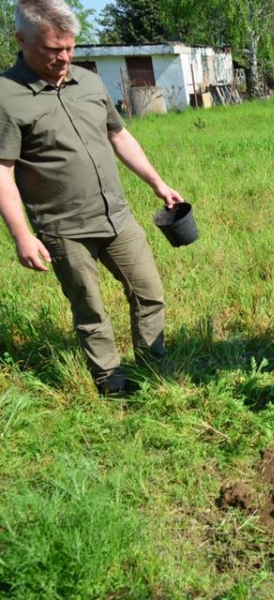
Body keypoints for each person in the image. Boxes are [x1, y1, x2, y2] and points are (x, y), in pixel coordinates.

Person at [0, 0, 185, 396]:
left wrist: (157, 182)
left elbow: (118, 135)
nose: (64, 58)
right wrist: (21, 235)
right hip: (63, 229)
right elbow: (2, 171)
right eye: (53, 49)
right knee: (90, 311)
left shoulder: (88, 82)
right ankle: (111, 385)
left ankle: (154, 371)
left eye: (70, 47)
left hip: (117, 217)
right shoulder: (5, 96)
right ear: (22, 40)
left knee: (149, 294)